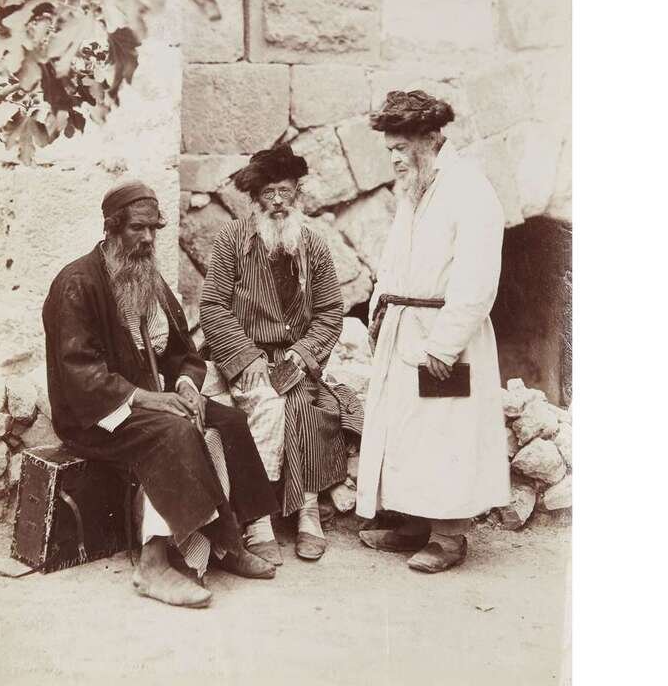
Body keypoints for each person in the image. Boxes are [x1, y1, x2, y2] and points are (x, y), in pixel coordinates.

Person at [42, 180, 279, 608]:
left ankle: (227, 542)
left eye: (154, 228)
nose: (149, 238)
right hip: (95, 415)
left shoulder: (147, 276)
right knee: (172, 431)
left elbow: (183, 352)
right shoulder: (77, 283)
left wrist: (186, 386)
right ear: (113, 227)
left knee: (228, 420)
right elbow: (81, 374)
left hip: (148, 402)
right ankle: (152, 564)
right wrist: (151, 399)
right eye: (138, 228)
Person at [356, 90, 511, 573]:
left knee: (446, 435)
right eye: (390, 149)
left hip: (445, 331)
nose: (394, 158)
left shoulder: (469, 189)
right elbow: (394, 260)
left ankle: (448, 537)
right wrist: (379, 312)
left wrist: (445, 344)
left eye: (401, 148)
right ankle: (414, 523)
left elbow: (477, 278)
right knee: (407, 431)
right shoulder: (415, 188)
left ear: (430, 138)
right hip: (404, 326)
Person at [200, 145, 360, 565]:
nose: (277, 201)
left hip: (296, 362)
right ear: (255, 199)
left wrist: (304, 354)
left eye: (285, 191)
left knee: (305, 407)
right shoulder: (232, 240)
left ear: (297, 195)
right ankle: (258, 520)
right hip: (246, 359)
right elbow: (213, 305)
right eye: (268, 192)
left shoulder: (313, 245)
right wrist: (246, 355)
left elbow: (330, 311)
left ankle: (308, 513)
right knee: (267, 406)